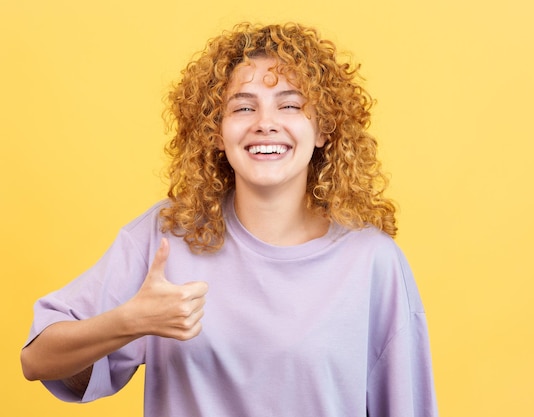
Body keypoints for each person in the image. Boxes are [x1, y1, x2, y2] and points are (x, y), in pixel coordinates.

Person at [21, 22, 438, 417]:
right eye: (243, 108)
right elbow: (37, 360)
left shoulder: (373, 263)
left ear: (324, 129)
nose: (266, 124)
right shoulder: (168, 237)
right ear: (217, 134)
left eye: (290, 105)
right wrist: (130, 322)